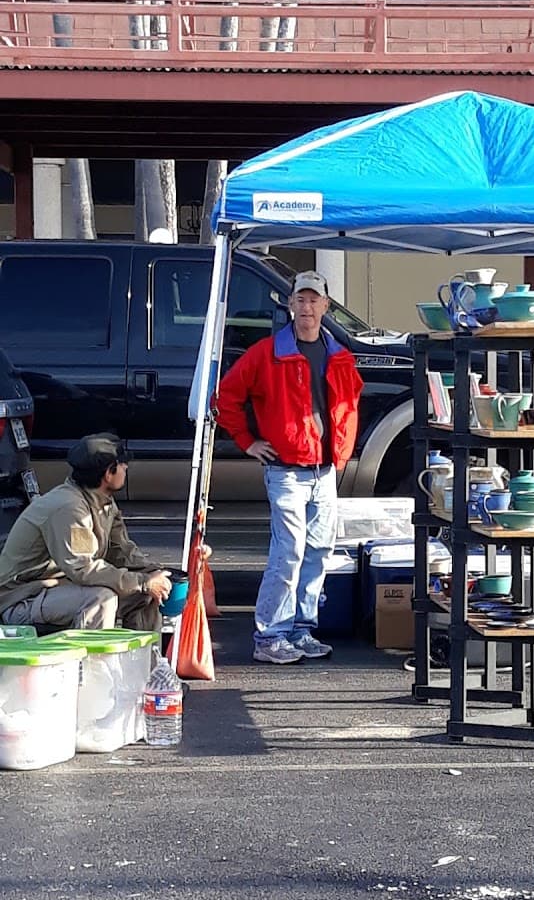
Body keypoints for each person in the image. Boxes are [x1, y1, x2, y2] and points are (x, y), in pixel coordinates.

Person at [215, 270, 363, 664]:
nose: (307, 307)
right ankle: (270, 636)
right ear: (290, 304)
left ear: (326, 306)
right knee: (290, 552)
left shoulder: (339, 356)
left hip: (323, 471)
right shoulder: (266, 353)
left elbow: (349, 404)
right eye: (300, 299)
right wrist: (248, 442)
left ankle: (301, 629)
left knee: (317, 551)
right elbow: (226, 397)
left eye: (314, 300)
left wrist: (340, 451)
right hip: (286, 472)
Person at [0, 433, 173, 632]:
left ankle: (143, 660)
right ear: (109, 473)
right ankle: (94, 663)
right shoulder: (70, 508)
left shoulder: (102, 501)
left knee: (148, 593)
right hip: (22, 598)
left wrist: (154, 574)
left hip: (59, 587)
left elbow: (121, 552)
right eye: (123, 464)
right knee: (101, 599)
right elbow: (83, 569)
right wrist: (142, 582)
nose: (126, 468)